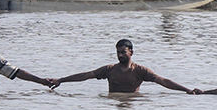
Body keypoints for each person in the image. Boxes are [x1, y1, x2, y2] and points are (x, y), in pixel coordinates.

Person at [51, 39, 196, 94]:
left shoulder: (140, 71)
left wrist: (186, 90)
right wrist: (61, 80)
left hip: (132, 101)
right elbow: (85, 75)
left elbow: (163, 81)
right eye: (118, 53)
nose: (120, 55)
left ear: (131, 52)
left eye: (123, 52)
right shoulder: (109, 70)